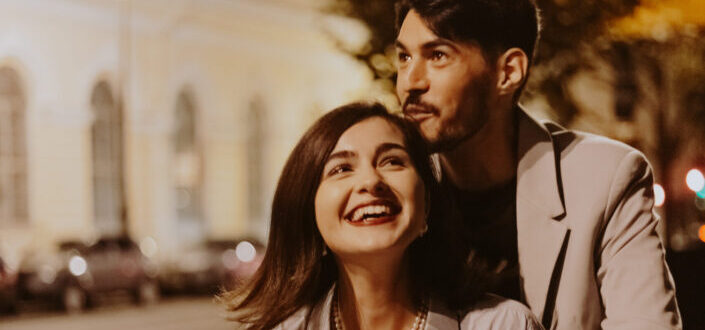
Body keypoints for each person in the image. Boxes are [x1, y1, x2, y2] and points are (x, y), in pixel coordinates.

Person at [393, 0, 681, 329]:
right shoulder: (392, 190)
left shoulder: (605, 179)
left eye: (437, 55)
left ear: (509, 72)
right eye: (404, 56)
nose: (409, 82)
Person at [221, 102, 542, 329]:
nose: (371, 181)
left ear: (427, 206)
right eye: (341, 168)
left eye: (392, 161)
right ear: (308, 213)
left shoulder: (503, 324)